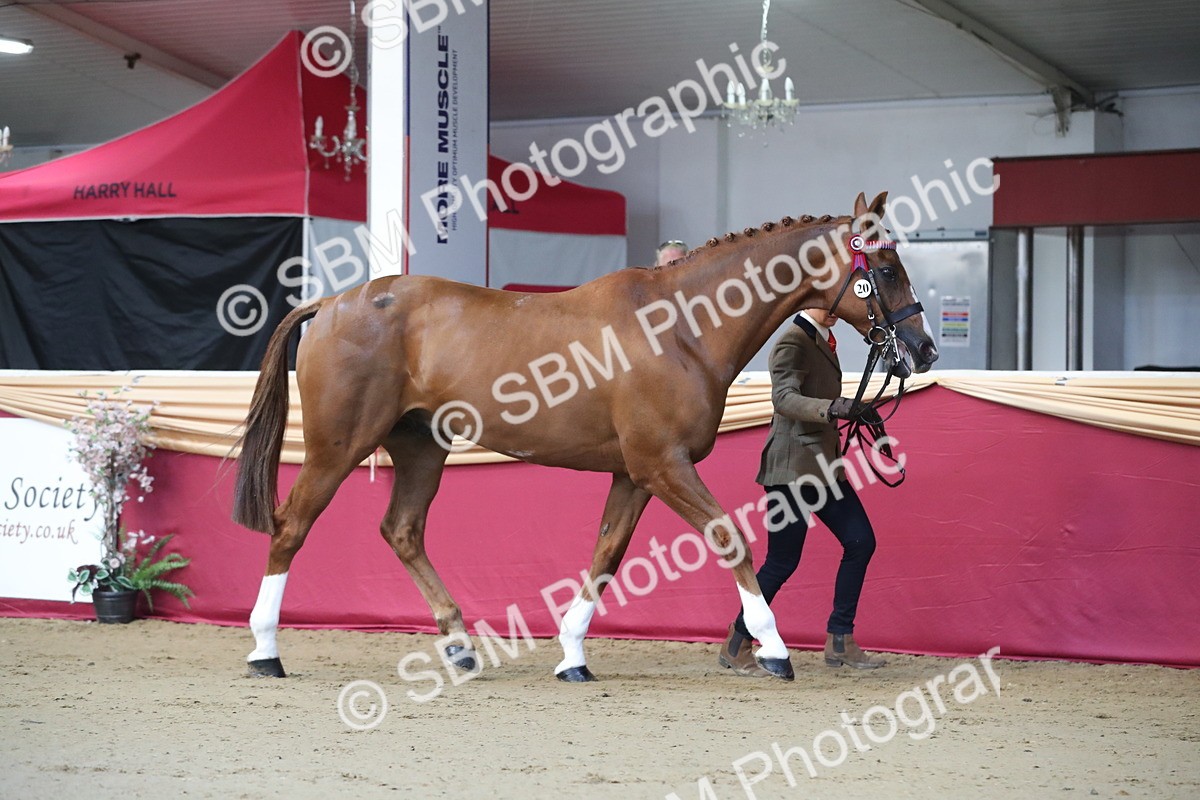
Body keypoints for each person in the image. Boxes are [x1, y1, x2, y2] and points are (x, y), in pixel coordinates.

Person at [718, 307, 886, 678]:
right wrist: (834, 408)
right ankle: (737, 642)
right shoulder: (792, 341)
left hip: (823, 467)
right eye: (827, 303)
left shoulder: (818, 339)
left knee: (860, 541)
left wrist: (853, 410)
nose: (836, 311)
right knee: (782, 561)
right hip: (791, 468)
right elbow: (785, 399)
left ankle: (840, 637)